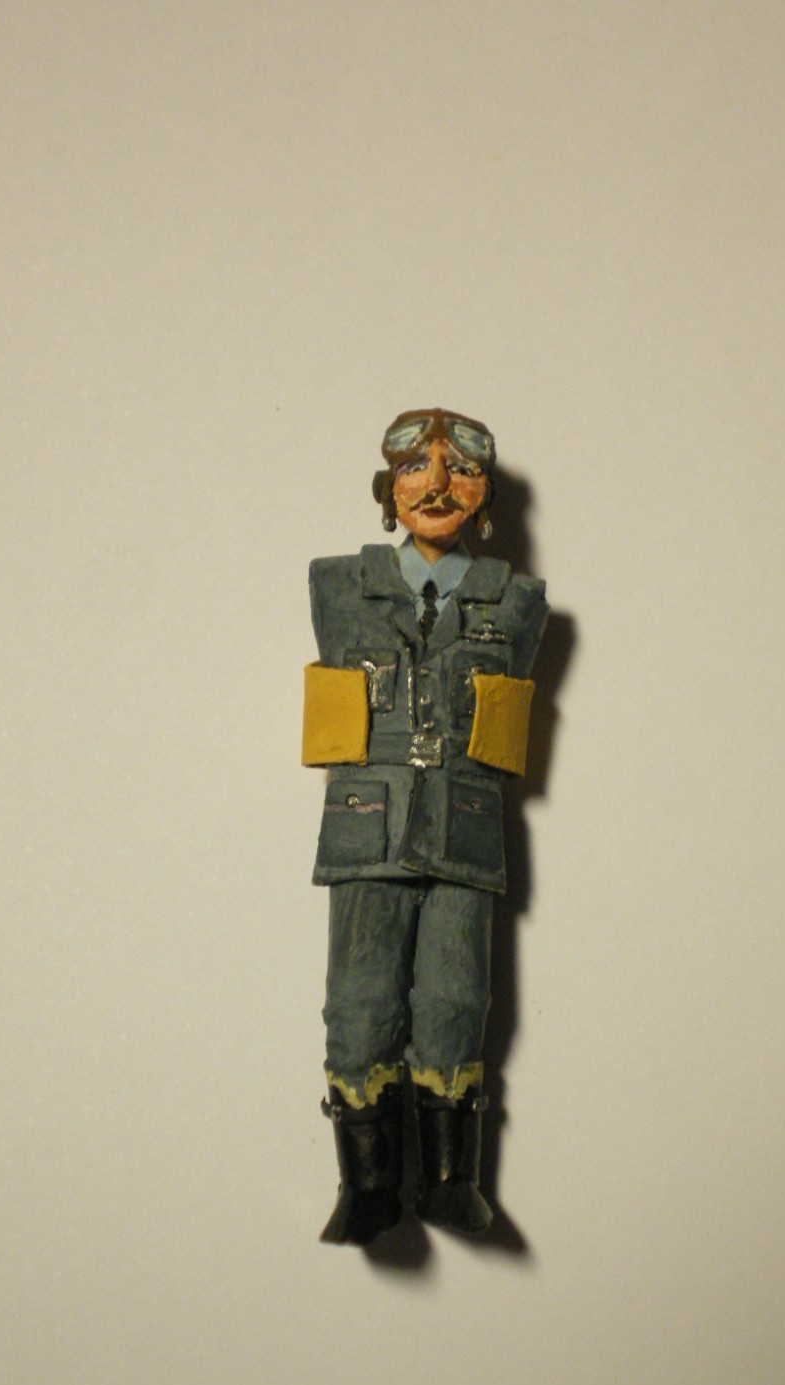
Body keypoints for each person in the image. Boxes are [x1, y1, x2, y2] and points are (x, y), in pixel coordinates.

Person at [302, 409, 548, 1244]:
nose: (437, 486)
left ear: (486, 496)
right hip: (364, 828)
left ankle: (452, 1178)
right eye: (415, 469)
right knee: (359, 1000)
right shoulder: (340, 585)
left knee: (456, 996)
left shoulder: (515, 601)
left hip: (464, 828)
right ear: (388, 489)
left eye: (460, 471)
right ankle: (365, 1185)